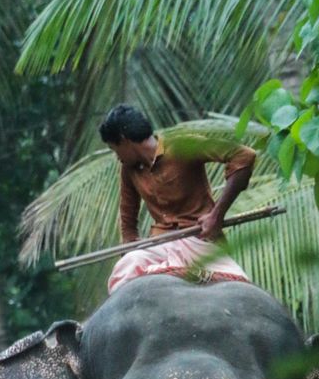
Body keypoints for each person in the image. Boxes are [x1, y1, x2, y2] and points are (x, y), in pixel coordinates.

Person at [98, 103, 257, 294]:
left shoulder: (183, 145)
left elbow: (244, 155)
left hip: (200, 240)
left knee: (241, 290)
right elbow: (128, 221)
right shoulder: (128, 170)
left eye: (114, 149)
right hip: (160, 246)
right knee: (127, 265)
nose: (117, 157)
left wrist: (216, 216)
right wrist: (130, 246)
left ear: (124, 140)